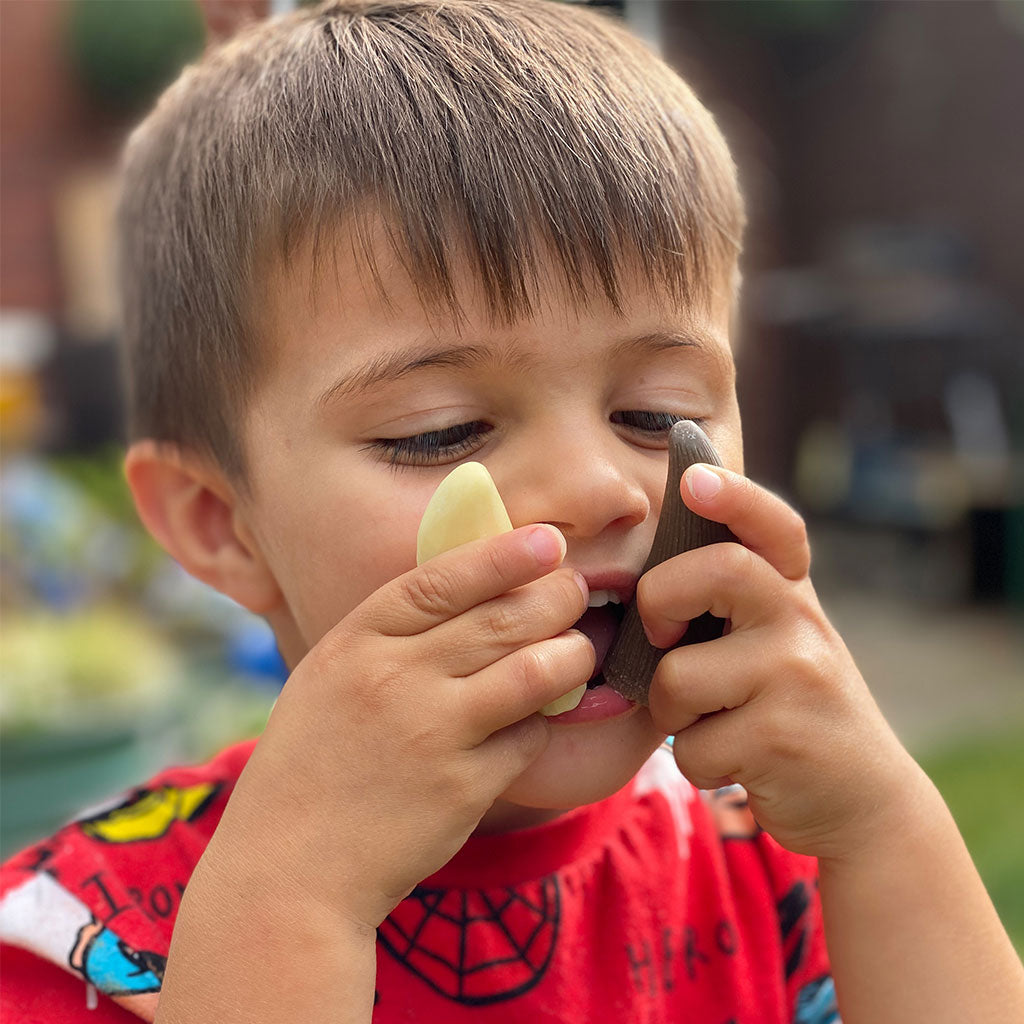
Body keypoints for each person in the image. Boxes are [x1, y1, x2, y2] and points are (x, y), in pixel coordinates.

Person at [2, 2, 1022, 1021]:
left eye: (656, 412)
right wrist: (295, 899)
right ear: (221, 523)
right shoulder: (78, 940)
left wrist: (885, 827)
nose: (598, 487)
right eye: (440, 431)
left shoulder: (792, 859)